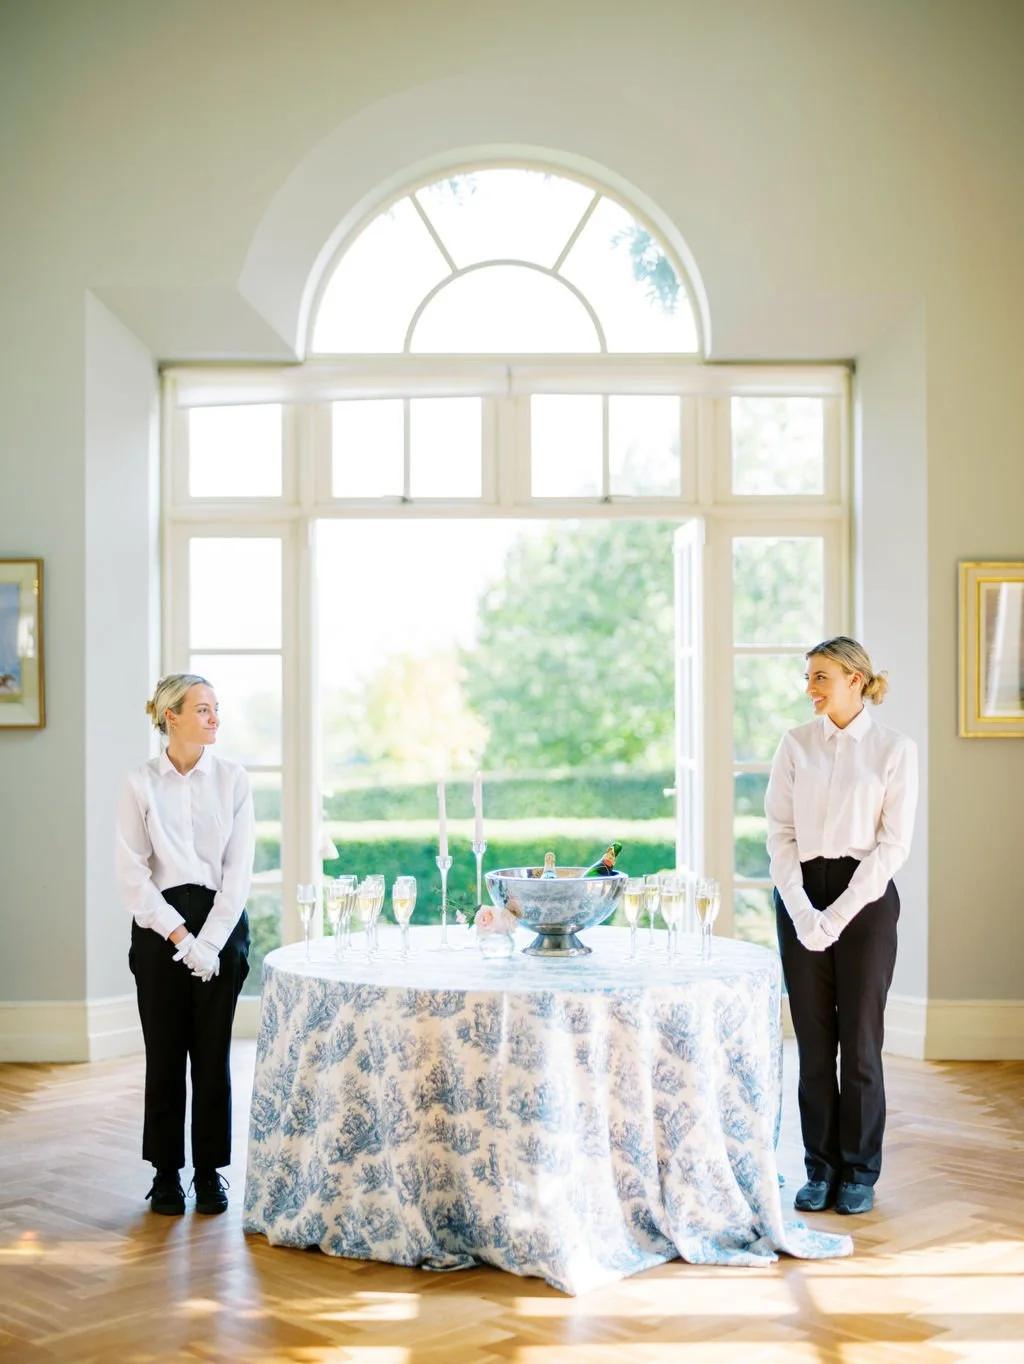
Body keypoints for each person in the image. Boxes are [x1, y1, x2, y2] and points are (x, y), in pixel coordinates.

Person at [765, 637, 918, 1216]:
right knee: (810, 1042)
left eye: (820, 677)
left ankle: (859, 1170)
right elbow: (779, 834)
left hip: (868, 900)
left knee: (858, 1044)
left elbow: (892, 846)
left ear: (855, 679)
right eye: (808, 677)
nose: (810, 689)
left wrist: (838, 916)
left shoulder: (893, 750)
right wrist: (805, 913)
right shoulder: (795, 745)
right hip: (800, 894)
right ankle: (819, 1168)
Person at [115, 674, 254, 1216]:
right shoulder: (139, 783)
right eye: (203, 709)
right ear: (171, 716)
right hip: (158, 931)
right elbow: (130, 875)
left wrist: (210, 944)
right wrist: (179, 936)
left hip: (222, 926)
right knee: (165, 1054)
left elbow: (238, 873)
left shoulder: (234, 780)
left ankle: (209, 1173)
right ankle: (166, 1174)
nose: (215, 718)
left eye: (217, 708)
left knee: (213, 1057)